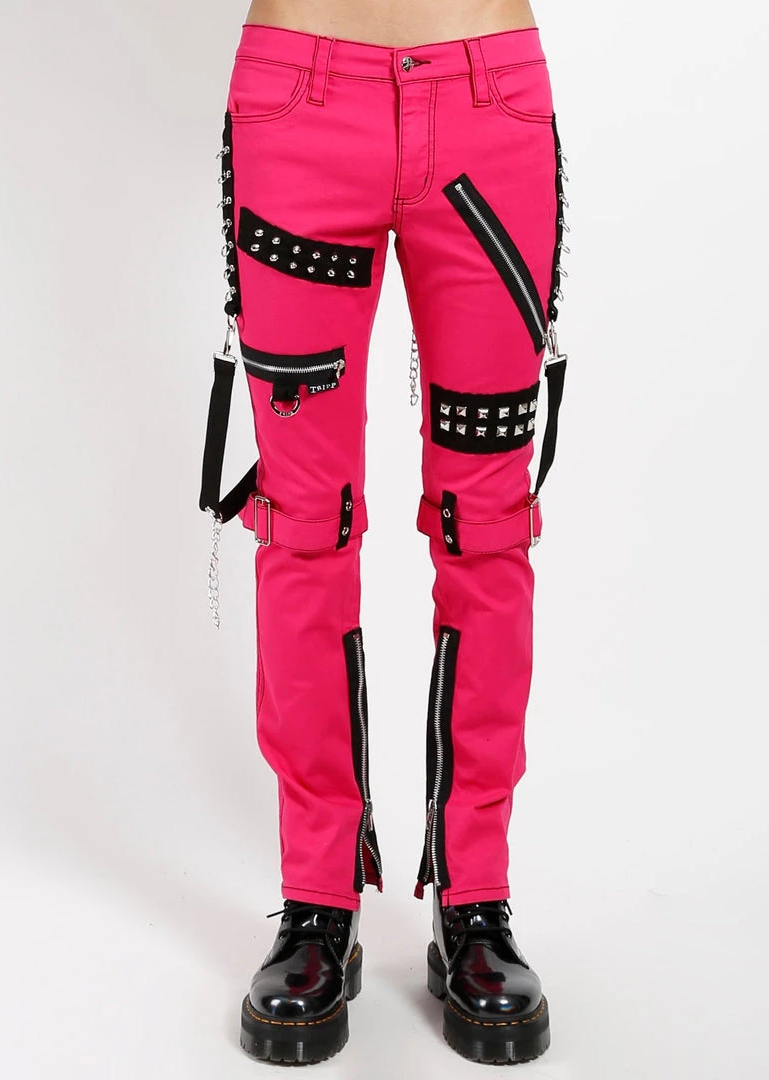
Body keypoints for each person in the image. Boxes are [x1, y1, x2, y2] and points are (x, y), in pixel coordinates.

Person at [199, 0, 569, 1065]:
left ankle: (476, 897)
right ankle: (318, 898)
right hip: (296, 105)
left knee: (487, 527)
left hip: (491, 102)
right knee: (303, 527)